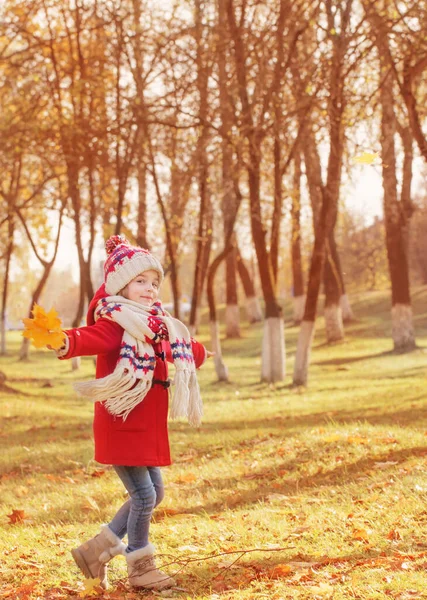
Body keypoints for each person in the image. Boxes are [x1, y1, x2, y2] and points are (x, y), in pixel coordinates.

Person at [52, 235, 210, 591]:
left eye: (154, 283)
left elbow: (179, 347)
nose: (150, 288)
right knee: (144, 496)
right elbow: (90, 337)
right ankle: (140, 567)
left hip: (143, 426)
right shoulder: (117, 321)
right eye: (140, 281)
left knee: (156, 493)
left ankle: (94, 553)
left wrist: (200, 355)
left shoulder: (154, 326)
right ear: (120, 285)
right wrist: (65, 341)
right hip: (121, 422)